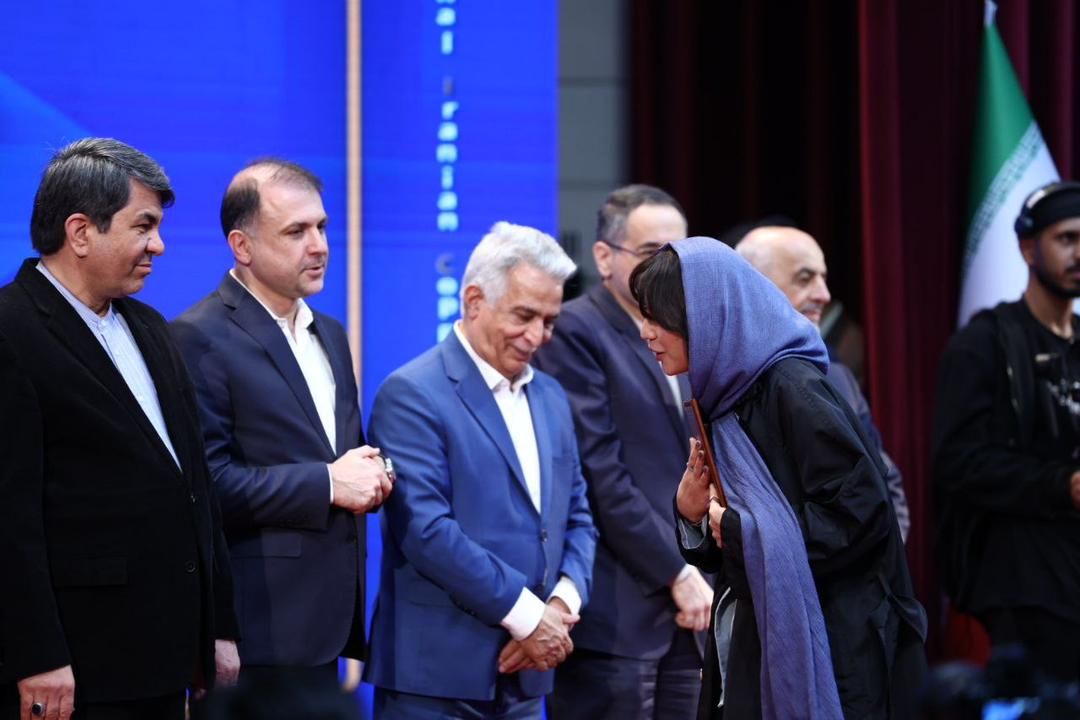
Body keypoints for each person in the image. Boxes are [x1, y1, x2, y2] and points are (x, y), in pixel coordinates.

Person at [630, 238, 926, 719]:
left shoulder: (792, 386)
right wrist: (693, 516)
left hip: (837, 645)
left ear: (705, 315)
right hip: (760, 637)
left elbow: (862, 513)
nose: (646, 333)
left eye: (657, 318)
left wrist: (739, 530)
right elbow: (734, 550)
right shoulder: (726, 390)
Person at [0, 138, 239, 720]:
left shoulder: (152, 327)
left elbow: (194, 486)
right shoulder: (10, 330)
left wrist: (215, 626)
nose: (159, 245)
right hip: (75, 669)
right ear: (81, 232)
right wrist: (36, 654)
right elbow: (9, 518)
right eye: (144, 226)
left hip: (165, 661)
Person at [364, 221, 597, 719]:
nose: (537, 336)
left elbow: (578, 515)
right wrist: (528, 617)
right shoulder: (412, 393)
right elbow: (426, 532)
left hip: (528, 676)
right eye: (524, 315)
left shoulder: (552, 396)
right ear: (474, 300)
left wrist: (559, 607)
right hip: (434, 681)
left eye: (549, 321)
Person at [171, 160, 390, 689]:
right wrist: (329, 483)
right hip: (255, 631)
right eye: (296, 232)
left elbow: (340, 452)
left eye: (322, 227)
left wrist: (374, 472)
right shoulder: (198, 337)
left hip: (329, 625)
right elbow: (206, 486)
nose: (319, 246)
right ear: (241, 246)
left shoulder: (330, 332)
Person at [533, 185, 710, 720]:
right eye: (652, 252)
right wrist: (676, 572)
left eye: (678, 253)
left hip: (692, 611)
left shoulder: (691, 332)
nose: (669, 268)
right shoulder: (575, 330)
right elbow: (600, 474)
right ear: (604, 257)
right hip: (619, 614)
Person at [934, 180, 1080, 685]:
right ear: (1027, 248)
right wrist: (1063, 484)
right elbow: (956, 463)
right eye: (1067, 238)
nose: (1079, 253)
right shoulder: (984, 344)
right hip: (1025, 584)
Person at [735, 224, 911, 541]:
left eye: (823, 278)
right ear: (753, 285)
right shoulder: (720, 383)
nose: (824, 295)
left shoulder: (839, 379)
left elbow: (885, 483)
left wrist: (882, 558)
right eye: (805, 279)